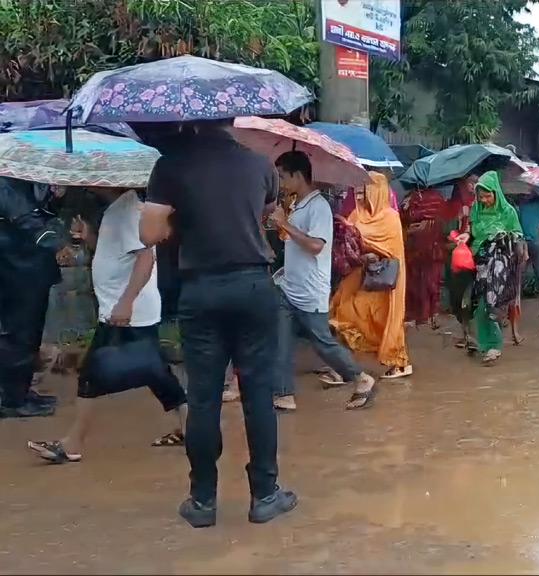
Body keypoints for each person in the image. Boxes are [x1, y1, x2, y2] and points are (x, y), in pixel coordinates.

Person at [140, 120, 296, 528]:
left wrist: (185, 221)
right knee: (258, 395)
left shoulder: (170, 165)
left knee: (205, 399)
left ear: (190, 121)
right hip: (253, 286)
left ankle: (203, 500)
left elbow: (149, 232)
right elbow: (264, 212)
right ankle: (265, 495)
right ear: (231, 122)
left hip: (201, 290)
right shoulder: (259, 164)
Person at [28, 188, 187, 463]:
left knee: (91, 375)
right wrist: (90, 237)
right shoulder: (118, 210)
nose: (88, 184)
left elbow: (145, 257)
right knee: (157, 373)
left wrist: (126, 302)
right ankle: (191, 427)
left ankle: (71, 444)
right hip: (122, 309)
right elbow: (117, 253)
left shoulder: (127, 212)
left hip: (125, 312)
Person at [270, 151, 375, 411]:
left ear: (297, 175)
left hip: (309, 290)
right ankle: (283, 394)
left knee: (322, 342)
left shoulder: (319, 206)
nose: (281, 183)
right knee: (279, 339)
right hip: (289, 286)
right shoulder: (298, 204)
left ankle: (361, 378)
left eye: (283, 177)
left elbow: (316, 245)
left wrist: (286, 225)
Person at [0, 178, 73, 418]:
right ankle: (13, 399)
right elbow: (25, 218)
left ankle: (20, 390)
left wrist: (55, 196)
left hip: (30, 265)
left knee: (29, 331)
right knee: (19, 331)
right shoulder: (5, 179)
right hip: (16, 265)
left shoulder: (28, 177)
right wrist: (56, 244)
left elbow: (41, 213)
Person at [330, 172, 412, 384]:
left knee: (384, 320)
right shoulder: (357, 215)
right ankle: (346, 367)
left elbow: (393, 251)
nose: (361, 193)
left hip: (384, 283)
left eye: (365, 188)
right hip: (360, 279)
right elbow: (350, 242)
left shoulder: (391, 218)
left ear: (376, 191)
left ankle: (398, 362)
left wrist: (371, 249)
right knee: (346, 314)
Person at [462, 171, 523, 365]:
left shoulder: (508, 212)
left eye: (488, 195)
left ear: (496, 193)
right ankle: (484, 344)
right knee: (476, 304)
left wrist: (504, 236)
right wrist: (465, 236)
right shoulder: (476, 210)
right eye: (481, 196)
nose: (485, 200)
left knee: (491, 304)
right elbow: (470, 231)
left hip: (500, 266)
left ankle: (494, 346)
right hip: (478, 262)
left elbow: (518, 236)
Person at [401, 186, 449, 328]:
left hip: (432, 248)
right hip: (414, 248)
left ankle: (431, 314)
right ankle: (418, 315)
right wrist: (406, 208)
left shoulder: (437, 198)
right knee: (414, 284)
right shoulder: (410, 197)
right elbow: (403, 218)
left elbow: (443, 221)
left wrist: (427, 226)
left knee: (431, 283)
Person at [444, 176, 478, 349]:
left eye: (474, 183)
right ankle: (465, 332)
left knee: (471, 298)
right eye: (468, 184)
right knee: (457, 300)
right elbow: (444, 238)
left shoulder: (480, 208)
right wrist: (455, 241)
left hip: (476, 260)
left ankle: (471, 336)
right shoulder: (452, 209)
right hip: (455, 262)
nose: (471, 187)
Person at [517, 191, 539, 318]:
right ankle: (515, 307)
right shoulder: (520, 204)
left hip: (538, 242)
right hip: (523, 241)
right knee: (518, 275)